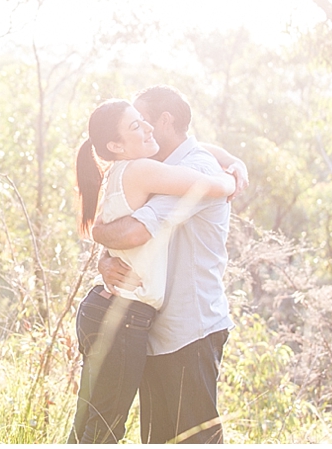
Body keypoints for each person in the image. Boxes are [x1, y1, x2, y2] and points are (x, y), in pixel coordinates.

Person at [67, 98, 238, 444]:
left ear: (164, 120)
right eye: (135, 125)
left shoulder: (187, 167)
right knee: (105, 431)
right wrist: (231, 178)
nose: (144, 129)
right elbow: (130, 232)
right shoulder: (149, 169)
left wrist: (232, 168)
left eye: (144, 120)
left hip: (187, 330)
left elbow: (134, 232)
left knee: (184, 439)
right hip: (140, 323)